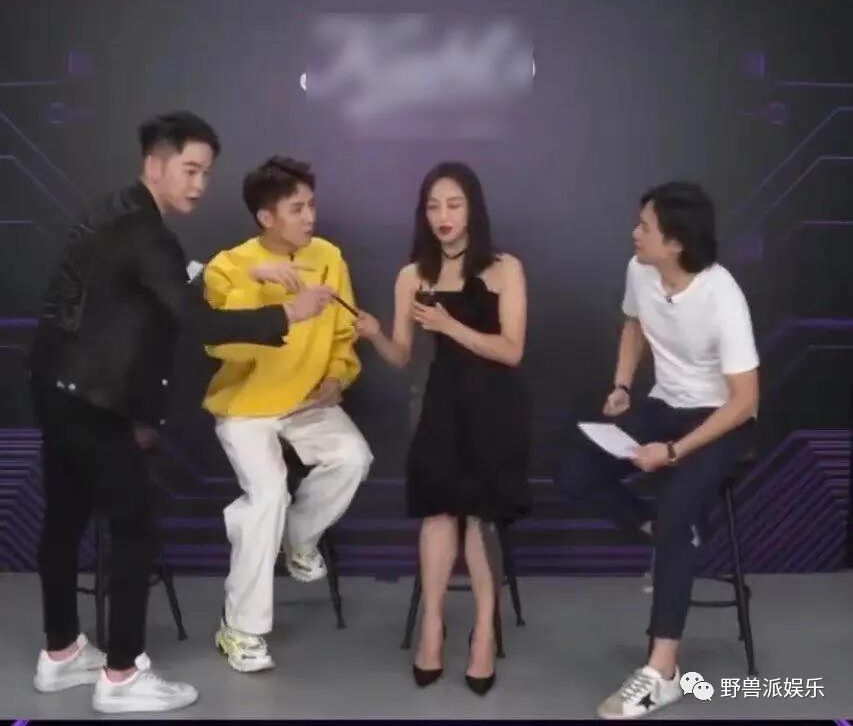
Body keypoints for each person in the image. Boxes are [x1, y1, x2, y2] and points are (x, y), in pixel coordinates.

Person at [28, 113, 333, 713]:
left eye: (206, 173)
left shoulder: (114, 212)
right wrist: (286, 314)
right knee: (134, 523)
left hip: (53, 386)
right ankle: (122, 676)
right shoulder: (147, 233)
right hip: (93, 399)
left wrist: (250, 270)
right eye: (190, 170)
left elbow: (166, 278)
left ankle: (60, 653)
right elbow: (197, 321)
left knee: (63, 519)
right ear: (155, 165)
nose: (199, 185)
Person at [554, 182, 759, 719]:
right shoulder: (640, 270)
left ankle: (662, 673)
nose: (634, 233)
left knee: (675, 511)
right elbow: (634, 324)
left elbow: (745, 401)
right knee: (574, 473)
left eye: (644, 227)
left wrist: (671, 453)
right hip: (664, 404)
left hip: (720, 419)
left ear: (676, 242)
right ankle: (668, 531)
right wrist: (622, 385)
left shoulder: (722, 296)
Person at [356, 161, 531, 695]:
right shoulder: (412, 276)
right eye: (433, 206)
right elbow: (402, 355)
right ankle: (431, 626)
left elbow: (511, 350)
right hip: (438, 407)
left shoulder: (504, 268)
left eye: (453, 204)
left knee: (478, 516)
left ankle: (483, 632)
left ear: (473, 208)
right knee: (436, 513)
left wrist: (450, 325)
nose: (443, 216)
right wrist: (374, 334)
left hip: (493, 410)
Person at [202, 156, 372, 673]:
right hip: (246, 406)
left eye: (311, 205)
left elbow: (343, 333)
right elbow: (219, 345)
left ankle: (298, 538)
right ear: (265, 217)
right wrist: (257, 282)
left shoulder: (328, 257)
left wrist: (338, 375)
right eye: (297, 209)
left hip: (306, 401)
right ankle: (240, 630)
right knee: (267, 496)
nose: (310, 217)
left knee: (353, 456)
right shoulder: (228, 266)